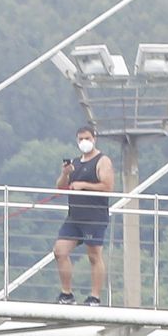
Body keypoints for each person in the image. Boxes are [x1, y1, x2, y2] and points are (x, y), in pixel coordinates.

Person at [52, 123, 114, 306]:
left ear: (94, 139)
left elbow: (107, 187)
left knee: (94, 255)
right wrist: (65, 174)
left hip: (94, 217)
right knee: (59, 251)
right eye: (80, 139)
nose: (84, 142)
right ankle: (67, 293)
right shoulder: (75, 163)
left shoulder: (103, 161)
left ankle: (94, 297)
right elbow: (61, 187)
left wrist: (84, 185)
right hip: (74, 217)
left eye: (87, 138)